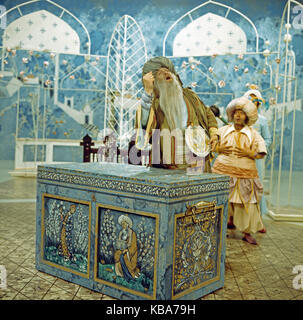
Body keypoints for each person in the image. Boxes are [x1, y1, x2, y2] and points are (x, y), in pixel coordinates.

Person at [135, 56, 219, 172]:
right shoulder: (154, 104)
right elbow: (143, 127)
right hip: (170, 169)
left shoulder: (190, 96)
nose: (165, 73)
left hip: (198, 164)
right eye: (160, 73)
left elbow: (208, 113)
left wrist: (213, 133)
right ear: (156, 83)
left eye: (167, 70)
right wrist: (148, 92)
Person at [212, 96, 267, 245]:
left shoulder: (254, 134)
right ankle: (219, 229)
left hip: (245, 174)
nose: (238, 115)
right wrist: (219, 148)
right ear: (231, 114)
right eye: (236, 112)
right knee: (222, 201)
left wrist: (251, 154)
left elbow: (261, 151)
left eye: (241, 113)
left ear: (247, 116)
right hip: (222, 171)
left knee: (246, 203)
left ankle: (247, 232)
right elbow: (211, 145)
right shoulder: (222, 130)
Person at [244, 87, 272, 225]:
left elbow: (268, 139)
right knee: (240, 187)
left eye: (255, 100)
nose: (252, 103)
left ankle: (258, 218)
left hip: (256, 159)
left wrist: (258, 149)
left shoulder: (262, 120)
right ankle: (237, 218)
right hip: (241, 158)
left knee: (256, 187)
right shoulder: (240, 119)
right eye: (250, 100)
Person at [114, 215, 140, 280]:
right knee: (117, 254)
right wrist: (120, 238)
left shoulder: (132, 233)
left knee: (123, 256)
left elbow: (134, 246)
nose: (123, 225)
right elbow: (120, 243)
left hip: (131, 253)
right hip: (123, 249)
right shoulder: (122, 232)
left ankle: (128, 275)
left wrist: (127, 250)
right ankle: (120, 273)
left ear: (127, 224)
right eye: (122, 224)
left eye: (124, 224)